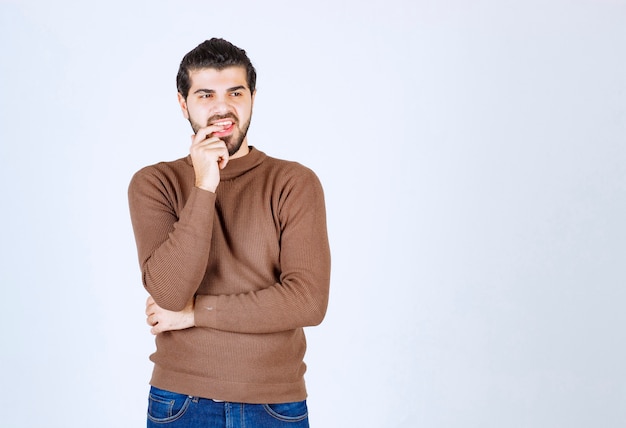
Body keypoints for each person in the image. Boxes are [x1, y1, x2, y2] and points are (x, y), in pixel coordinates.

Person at [127, 38, 331, 428]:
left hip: (275, 404)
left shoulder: (294, 182)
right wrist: (204, 185)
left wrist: (193, 314)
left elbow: (308, 302)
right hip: (180, 403)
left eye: (235, 92)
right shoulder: (155, 183)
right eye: (205, 95)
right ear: (183, 104)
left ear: (252, 97)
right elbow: (169, 293)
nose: (223, 108)